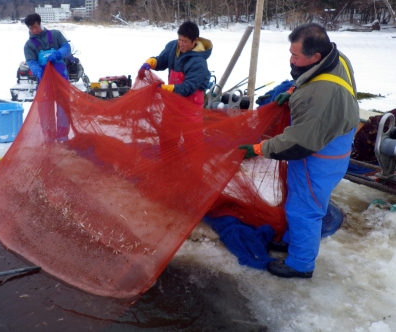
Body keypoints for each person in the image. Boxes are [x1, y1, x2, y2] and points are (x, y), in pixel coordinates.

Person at [238, 23, 359, 278]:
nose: (290, 59)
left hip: (319, 156)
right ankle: (294, 240)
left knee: (304, 209)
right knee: (300, 201)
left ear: (315, 56)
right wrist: (294, 91)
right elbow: (314, 80)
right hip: (332, 141)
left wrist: (259, 149)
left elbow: (297, 143)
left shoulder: (319, 96)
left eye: (296, 56)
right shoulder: (336, 58)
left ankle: (300, 264)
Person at [138, 21, 213, 108]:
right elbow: (163, 60)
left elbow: (188, 87)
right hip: (172, 103)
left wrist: (168, 89)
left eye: (185, 42)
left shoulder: (199, 62)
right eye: (179, 40)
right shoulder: (173, 47)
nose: (181, 44)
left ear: (195, 40)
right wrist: (152, 62)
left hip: (190, 107)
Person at [23, 13, 71, 82]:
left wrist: (58, 54)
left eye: (35, 27)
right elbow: (31, 62)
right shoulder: (28, 45)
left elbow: (67, 47)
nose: (34, 31)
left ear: (40, 24)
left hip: (62, 77)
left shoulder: (56, 34)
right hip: (45, 79)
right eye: (31, 28)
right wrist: (37, 71)